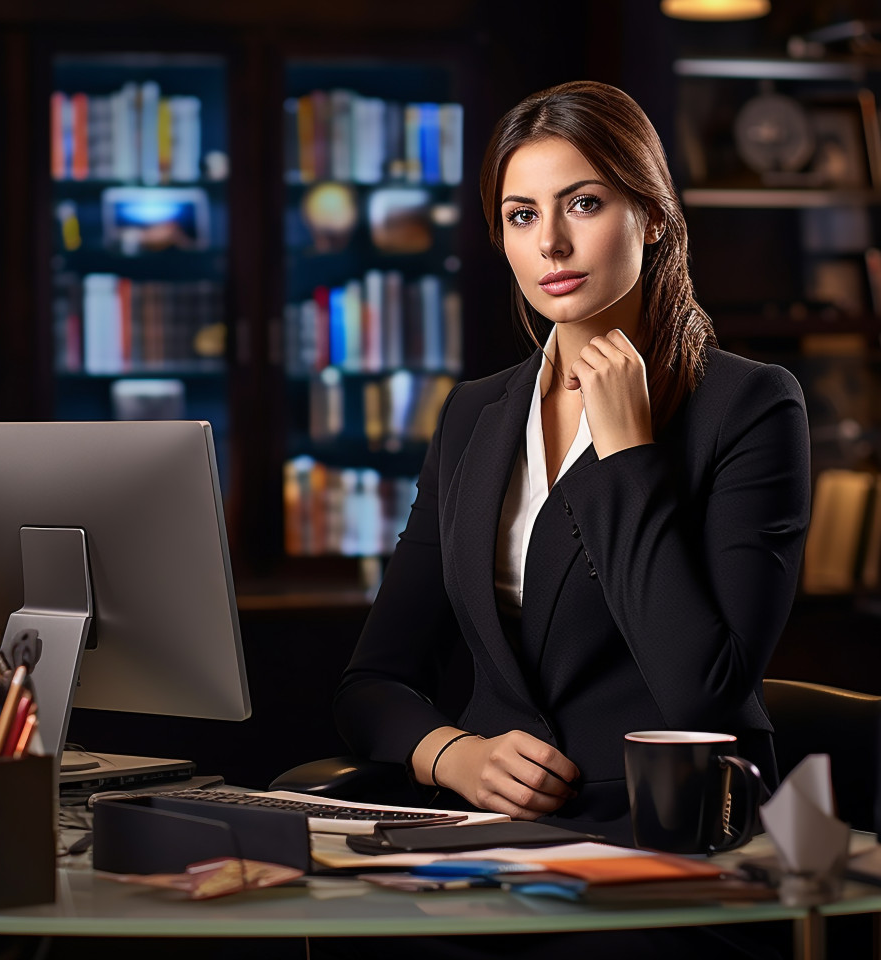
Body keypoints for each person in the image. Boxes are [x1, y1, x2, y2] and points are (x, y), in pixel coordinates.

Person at [330, 83, 809, 958]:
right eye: (520, 215)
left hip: (672, 840)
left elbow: (704, 692)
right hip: (485, 841)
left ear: (653, 216)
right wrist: (452, 755)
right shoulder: (476, 413)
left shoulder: (748, 408)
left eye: (583, 204)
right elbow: (373, 683)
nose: (549, 242)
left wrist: (627, 457)